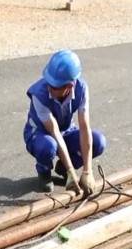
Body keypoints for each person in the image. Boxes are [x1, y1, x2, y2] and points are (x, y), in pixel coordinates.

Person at [23, 50, 107, 195]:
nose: (49, 87)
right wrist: (71, 171)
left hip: (66, 131)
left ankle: (62, 166)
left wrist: (88, 171)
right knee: (48, 146)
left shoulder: (81, 88)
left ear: (69, 86)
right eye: (48, 82)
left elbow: (84, 126)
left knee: (98, 142)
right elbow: (54, 131)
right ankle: (44, 170)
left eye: (54, 86)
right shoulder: (39, 94)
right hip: (41, 134)